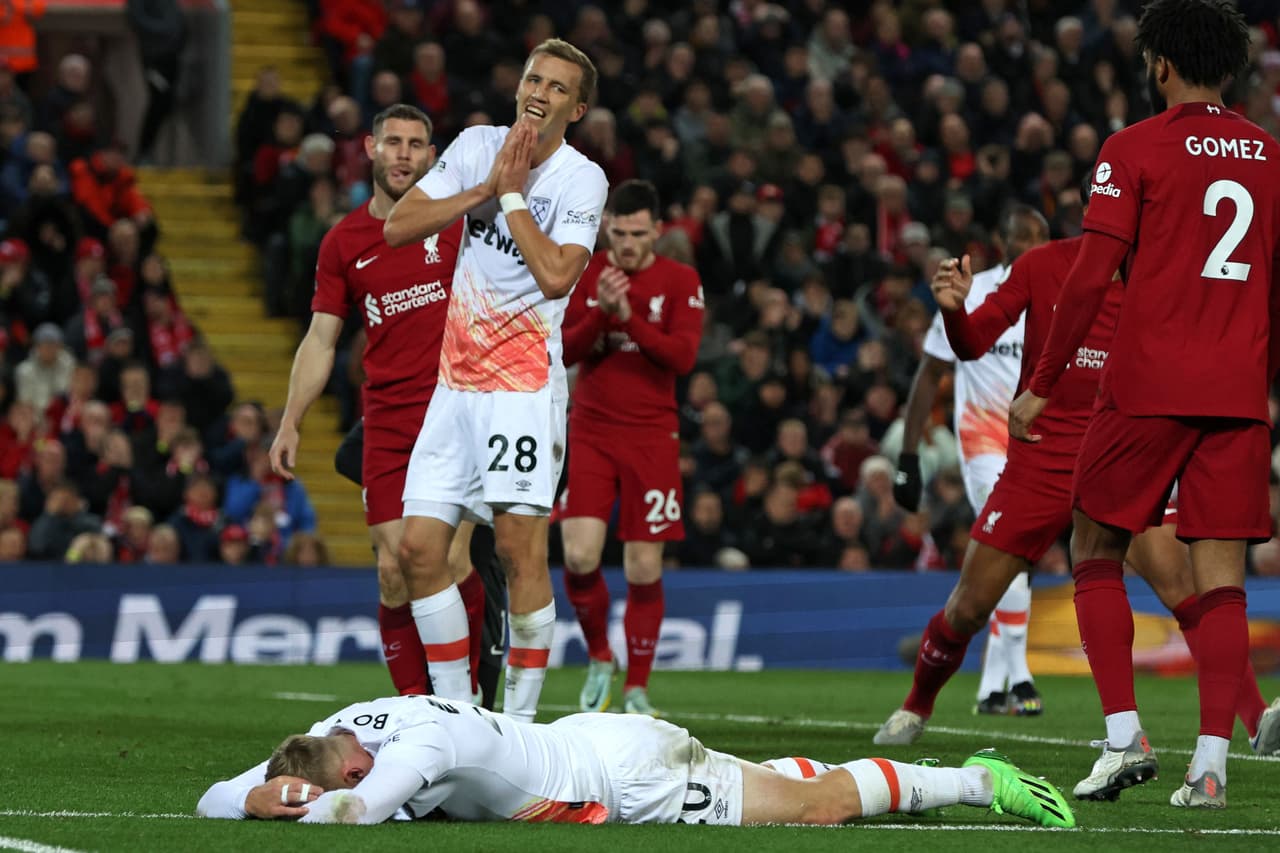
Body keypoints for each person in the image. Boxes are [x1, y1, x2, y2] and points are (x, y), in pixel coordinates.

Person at [876, 182, 1280, 768]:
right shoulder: (1044, 267)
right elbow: (972, 343)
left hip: (1123, 458)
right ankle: (916, 704)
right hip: (1041, 461)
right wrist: (954, 309)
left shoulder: (1163, 282)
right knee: (968, 606)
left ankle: (1256, 721)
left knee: (1183, 591)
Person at [1009, 0, 1280, 808]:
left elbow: (1090, 278)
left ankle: (1124, 737)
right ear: (1228, 69)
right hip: (1237, 395)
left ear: (1158, 64)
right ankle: (1209, 769)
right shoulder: (1271, 156)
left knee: (1093, 547)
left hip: (1148, 387)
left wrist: (1042, 383)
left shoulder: (1132, 148)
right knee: (1222, 581)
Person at [382, 38, 608, 722]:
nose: (540, 91)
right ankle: (460, 718)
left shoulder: (580, 180)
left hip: (523, 390)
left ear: (578, 106)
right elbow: (398, 225)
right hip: (455, 387)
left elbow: (557, 274)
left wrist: (509, 198)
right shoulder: (478, 144)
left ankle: (519, 727)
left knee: (517, 552)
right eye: (534, 77)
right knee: (419, 550)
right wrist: (485, 187)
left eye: (558, 86)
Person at [267, 103, 481, 700]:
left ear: (432, 156)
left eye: (417, 143)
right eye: (394, 142)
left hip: (457, 412)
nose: (405, 154)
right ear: (369, 148)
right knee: (392, 573)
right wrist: (290, 421)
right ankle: (420, 711)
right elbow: (320, 337)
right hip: (388, 420)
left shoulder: (456, 223)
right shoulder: (344, 242)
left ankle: (470, 703)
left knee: (450, 562)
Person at [195, 695, 1074, 829]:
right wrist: (251, 793)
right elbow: (210, 795)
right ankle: (783, 772)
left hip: (624, 779)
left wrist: (282, 808)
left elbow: (364, 812)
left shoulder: (417, 750)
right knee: (773, 782)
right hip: (594, 736)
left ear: (348, 766)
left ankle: (976, 779)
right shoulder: (341, 725)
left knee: (813, 811)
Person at [893, 205, 1049, 717]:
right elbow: (929, 375)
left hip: (1038, 442)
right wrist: (908, 455)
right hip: (983, 439)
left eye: (1041, 238)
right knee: (1012, 546)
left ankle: (990, 685)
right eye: (1024, 238)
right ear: (1004, 244)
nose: (1033, 247)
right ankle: (1019, 675)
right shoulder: (974, 292)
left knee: (1012, 556)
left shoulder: (1058, 296)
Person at [556, 179, 704, 716]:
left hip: (651, 436)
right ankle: (600, 655)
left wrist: (627, 318)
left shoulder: (680, 279)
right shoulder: (586, 271)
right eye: (618, 232)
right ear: (605, 228)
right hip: (591, 430)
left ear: (657, 231)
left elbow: (682, 357)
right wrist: (601, 312)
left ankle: (637, 688)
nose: (627, 243)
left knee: (643, 568)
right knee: (577, 555)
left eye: (638, 233)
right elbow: (566, 348)